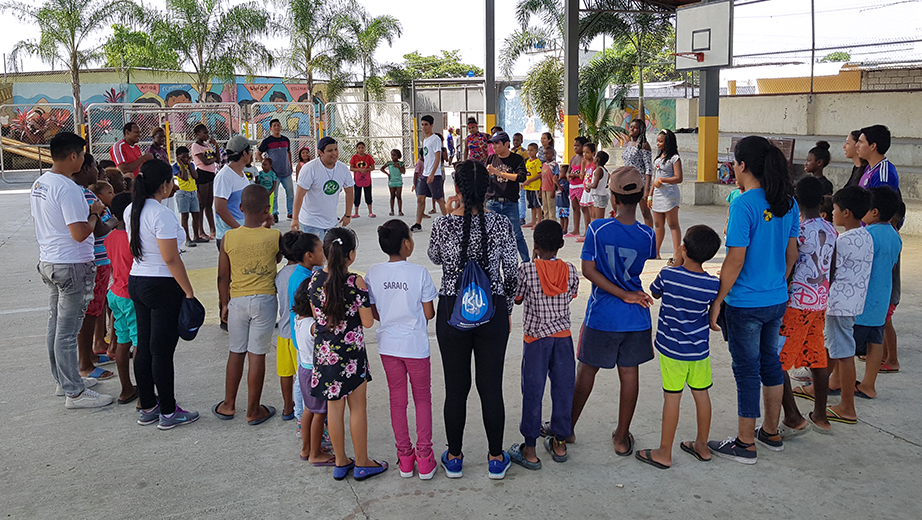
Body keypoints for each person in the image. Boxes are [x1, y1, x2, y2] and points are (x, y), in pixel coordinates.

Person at [707, 136, 799, 464]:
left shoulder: (743, 204)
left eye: (734, 161)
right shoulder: (789, 202)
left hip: (745, 302)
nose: (732, 166)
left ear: (743, 165)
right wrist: (776, 281)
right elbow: (792, 254)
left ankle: (746, 442)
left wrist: (718, 299)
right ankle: (771, 432)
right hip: (776, 297)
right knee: (770, 363)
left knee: (747, 370)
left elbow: (735, 260)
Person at [428, 160, 518, 480]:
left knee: (456, 388)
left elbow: (435, 257)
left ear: (457, 189)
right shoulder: (501, 224)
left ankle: (454, 458)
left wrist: (449, 213)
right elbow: (512, 274)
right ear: (488, 190)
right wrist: (506, 309)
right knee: (490, 387)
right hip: (491, 310)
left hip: (453, 312)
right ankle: (496, 458)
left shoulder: (442, 225)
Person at [567, 165, 655, 457]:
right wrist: (630, 294)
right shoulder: (647, 235)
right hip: (636, 318)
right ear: (641, 196)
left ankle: (567, 427)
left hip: (603, 314)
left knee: (587, 371)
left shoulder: (597, 228)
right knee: (629, 374)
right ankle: (621, 436)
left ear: (613, 200)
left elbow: (588, 270)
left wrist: (622, 294)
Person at [32, 132, 114, 409]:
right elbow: (80, 233)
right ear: (72, 156)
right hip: (71, 264)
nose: (82, 159)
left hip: (51, 260)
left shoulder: (41, 182)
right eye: (81, 154)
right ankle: (74, 392)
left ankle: (63, 380)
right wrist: (93, 212)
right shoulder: (67, 188)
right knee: (66, 331)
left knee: (56, 326)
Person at [635, 225, 721, 469]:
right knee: (701, 394)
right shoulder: (711, 285)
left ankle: (664, 451)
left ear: (683, 248)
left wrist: (674, 261)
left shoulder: (669, 274)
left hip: (672, 349)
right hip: (699, 350)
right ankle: (702, 445)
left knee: (672, 398)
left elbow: (654, 292)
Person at [308, 228, 388, 481]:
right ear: (351, 254)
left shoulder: (313, 280)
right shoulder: (355, 282)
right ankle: (363, 462)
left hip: (324, 354)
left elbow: (317, 316)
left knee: (334, 409)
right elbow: (367, 322)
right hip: (351, 356)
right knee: (357, 408)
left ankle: (341, 461)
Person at [127, 160, 198, 429]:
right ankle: (168, 412)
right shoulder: (161, 214)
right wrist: (188, 292)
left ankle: (148, 405)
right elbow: (170, 258)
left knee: (144, 346)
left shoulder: (132, 209)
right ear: (165, 184)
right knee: (162, 351)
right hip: (162, 284)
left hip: (138, 279)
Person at [366, 219, 439, 480]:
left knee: (397, 401)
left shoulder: (373, 273)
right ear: (407, 243)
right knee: (422, 400)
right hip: (416, 347)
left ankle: (405, 459)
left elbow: (374, 312)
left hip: (388, 346)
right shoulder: (419, 273)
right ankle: (425, 459)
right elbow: (429, 313)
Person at [798, 186, 872, 426]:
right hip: (853, 300)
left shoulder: (844, 241)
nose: (832, 212)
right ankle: (818, 386)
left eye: (836, 209)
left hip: (838, 303)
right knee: (830, 347)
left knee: (844, 352)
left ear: (847, 213)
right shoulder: (866, 235)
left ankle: (847, 407)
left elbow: (829, 267)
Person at [508, 220, 579, 470]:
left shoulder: (526, 270)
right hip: (562, 338)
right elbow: (571, 295)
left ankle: (529, 449)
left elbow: (517, 299)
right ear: (561, 244)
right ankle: (559, 442)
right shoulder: (570, 270)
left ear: (535, 245)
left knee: (533, 392)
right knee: (563, 389)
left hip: (535, 340)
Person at [214, 185, 282, 425]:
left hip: (237, 301)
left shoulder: (228, 237)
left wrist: (224, 304)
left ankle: (228, 404)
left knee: (236, 351)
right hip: (264, 300)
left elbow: (223, 276)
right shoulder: (274, 236)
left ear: (241, 208)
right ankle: (254, 409)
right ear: (267, 210)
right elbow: (276, 258)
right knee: (257, 355)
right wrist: (268, 227)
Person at [777, 177, 838, 434]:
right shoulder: (831, 229)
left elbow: (789, 263)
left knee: (774, 360)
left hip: (797, 302)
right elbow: (832, 268)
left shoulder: (798, 230)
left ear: (795, 199)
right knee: (817, 355)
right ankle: (820, 415)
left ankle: (793, 415)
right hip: (820, 301)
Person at [854, 187, 902, 399]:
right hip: (881, 301)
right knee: (875, 344)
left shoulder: (866, 235)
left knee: (844, 347)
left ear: (874, 212)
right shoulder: (895, 236)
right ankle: (868, 385)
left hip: (862, 303)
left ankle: (836, 380)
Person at [72, 156, 116, 380]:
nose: (98, 174)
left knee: (94, 310)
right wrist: (111, 222)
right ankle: (85, 363)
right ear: (85, 168)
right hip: (97, 261)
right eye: (95, 169)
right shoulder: (87, 195)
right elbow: (98, 229)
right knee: (91, 312)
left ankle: (90, 354)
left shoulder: (78, 192)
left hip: (94, 259)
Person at [291, 262, 334, 465]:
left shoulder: (299, 320)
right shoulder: (312, 326)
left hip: (304, 369)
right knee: (320, 413)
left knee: (309, 410)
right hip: (315, 373)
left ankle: (306, 447)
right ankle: (316, 453)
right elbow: (327, 329)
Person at [103, 192, 140, 404]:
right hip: (131, 295)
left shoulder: (110, 238)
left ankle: (126, 387)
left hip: (115, 292)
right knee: (139, 343)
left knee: (122, 341)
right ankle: (144, 389)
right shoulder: (132, 238)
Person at [291, 136, 355, 239]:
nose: (334, 153)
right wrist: (295, 218)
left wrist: (348, 215)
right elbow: (299, 195)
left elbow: (350, 191)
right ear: (320, 152)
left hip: (331, 222)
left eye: (336, 149)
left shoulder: (343, 169)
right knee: (317, 253)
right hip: (311, 222)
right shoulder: (309, 169)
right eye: (330, 150)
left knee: (330, 253)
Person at [484, 131, 530, 263]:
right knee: (491, 235)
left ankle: (526, 261)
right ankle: (491, 263)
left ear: (506, 144)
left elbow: (521, 177)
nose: (494, 147)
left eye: (497, 143)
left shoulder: (517, 159)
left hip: (510, 203)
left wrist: (499, 173)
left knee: (517, 234)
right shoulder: (491, 159)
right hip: (492, 202)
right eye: (493, 144)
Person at [213, 136, 256, 247]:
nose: (251, 154)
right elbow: (220, 208)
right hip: (230, 237)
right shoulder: (225, 176)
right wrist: (239, 229)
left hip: (241, 234)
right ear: (244, 154)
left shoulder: (241, 174)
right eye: (250, 150)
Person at [652, 130, 684, 262]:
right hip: (657, 194)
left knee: (672, 223)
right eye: (657, 141)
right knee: (658, 224)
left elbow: (679, 178)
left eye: (661, 141)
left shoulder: (674, 159)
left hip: (669, 194)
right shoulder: (658, 159)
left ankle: (677, 254)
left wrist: (663, 180)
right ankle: (656, 252)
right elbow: (655, 177)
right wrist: (650, 195)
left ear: (668, 142)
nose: (658, 144)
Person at [411, 116, 447, 232]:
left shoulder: (435, 139)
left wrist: (432, 173)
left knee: (439, 198)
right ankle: (418, 223)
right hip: (425, 174)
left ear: (431, 125)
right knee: (420, 198)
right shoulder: (425, 140)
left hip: (434, 174)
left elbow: (437, 158)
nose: (424, 127)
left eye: (426, 124)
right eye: (422, 124)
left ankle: (449, 221)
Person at [881, 202, 905, 372]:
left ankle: (892, 359)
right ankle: (883, 355)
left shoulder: (891, 237)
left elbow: (891, 267)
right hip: (889, 290)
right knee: (883, 323)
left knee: (886, 323)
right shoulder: (893, 235)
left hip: (889, 291)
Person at [256, 118, 294, 221]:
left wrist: (290, 165)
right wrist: (265, 164)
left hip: (286, 172)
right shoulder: (267, 141)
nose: (277, 127)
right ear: (271, 128)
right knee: (274, 194)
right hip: (274, 173)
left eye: (278, 125)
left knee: (290, 194)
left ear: (281, 127)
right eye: (274, 126)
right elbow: (258, 153)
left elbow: (288, 152)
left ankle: (291, 213)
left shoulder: (286, 140)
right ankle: (274, 213)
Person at [622, 118, 654, 228]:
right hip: (628, 180)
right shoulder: (629, 143)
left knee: (645, 212)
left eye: (635, 128)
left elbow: (649, 168)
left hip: (640, 182)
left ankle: (650, 235)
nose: (632, 129)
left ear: (641, 130)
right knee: (628, 212)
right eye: (631, 127)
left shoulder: (644, 145)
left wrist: (647, 189)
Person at [191, 124, 219, 239]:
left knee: (209, 203)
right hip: (202, 174)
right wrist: (213, 159)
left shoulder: (207, 145)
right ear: (198, 134)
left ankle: (213, 229)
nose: (207, 135)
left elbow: (217, 158)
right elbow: (205, 162)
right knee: (201, 204)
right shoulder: (195, 146)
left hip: (211, 174)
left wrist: (216, 146)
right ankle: (200, 230)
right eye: (205, 133)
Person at [172, 146, 203, 247]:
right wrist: (181, 165)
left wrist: (189, 164)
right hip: (183, 193)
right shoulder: (175, 167)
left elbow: (195, 176)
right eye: (183, 157)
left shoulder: (191, 165)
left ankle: (196, 236)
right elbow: (184, 178)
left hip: (193, 192)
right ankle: (187, 238)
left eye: (187, 157)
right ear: (178, 157)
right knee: (185, 216)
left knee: (196, 215)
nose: (186, 159)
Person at [857, 125, 900, 193]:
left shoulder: (882, 174)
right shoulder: (869, 167)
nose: (857, 145)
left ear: (873, 146)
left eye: (861, 142)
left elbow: (882, 202)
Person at [565, 137, 587, 239]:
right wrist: (568, 175)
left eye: (577, 146)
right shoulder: (573, 158)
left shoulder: (584, 159)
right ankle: (576, 229)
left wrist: (576, 176)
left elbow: (585, 173)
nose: (575, 148)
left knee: (583, 207)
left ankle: (587, 228)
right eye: (574, 146)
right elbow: (568, 170)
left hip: (581, 185)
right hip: (572, 186)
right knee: (574, 207)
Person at [576, 143, 597, 241]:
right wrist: (583, 166)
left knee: (593, 214)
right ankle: (587, 231)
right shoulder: (585, 163)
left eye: (587, 152)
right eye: (584, 152)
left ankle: (593, 234)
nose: (585, 154)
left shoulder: (594, 164)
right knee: (586, 211)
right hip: (586, 189)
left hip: (592, 190)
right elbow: (581, 177)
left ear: (593, 153)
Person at [349, 141, 376, 218]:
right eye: (359, 148)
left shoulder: (368, 157)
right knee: (357, 195)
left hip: (367, 179)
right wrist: (359, 170)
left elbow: (373, 167)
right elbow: (351, 168)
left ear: (365, 148)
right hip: (357, 180)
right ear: (356, 149)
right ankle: (356, 212)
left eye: (362, 147)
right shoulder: (354, 157)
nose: (361, 149)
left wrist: (367, 170)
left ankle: (370, 211)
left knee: (368, 194)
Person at [381, 148, 406, 216]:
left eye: (394, 155)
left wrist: (398, 167)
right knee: (392, 196)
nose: (392, 157)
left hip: (398, 181)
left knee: (399, 196)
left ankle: (400, 210)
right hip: (392, 181)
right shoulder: (389, 163)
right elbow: (382, 168)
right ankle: (392, 210)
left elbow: (403, 172)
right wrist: (388, 174)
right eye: (392, 155)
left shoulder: (401, 163)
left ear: (398, 156)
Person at [523, 143, 543, 227]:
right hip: (528, 187)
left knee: (537, 205)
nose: (529, 152)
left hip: (535, 186)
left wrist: (530, 180)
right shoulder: (527, 161)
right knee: (531, 205)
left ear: (536, 151)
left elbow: (540, 174)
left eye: (531, 150)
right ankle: (533, 220)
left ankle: (539, 220)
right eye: (528, 150)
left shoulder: (537, 162)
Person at [589, 150, 610, 221]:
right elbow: (606, 184)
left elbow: (595, 185)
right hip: (599, 195)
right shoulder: (605, 170)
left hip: (599, 196)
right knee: (594, 216)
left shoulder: (598, 170)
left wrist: (588, 185)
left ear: (597, 159)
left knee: (598, 219)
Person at [513, 133, 530, 225]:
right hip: (512, 176)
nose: (515, 142)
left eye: (518, 140)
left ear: (521, 141)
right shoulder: (510, 151)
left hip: (520, 177)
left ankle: (522, 217)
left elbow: (526, 164)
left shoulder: (524, 152)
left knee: (522, 198)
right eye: (514, 140)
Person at [540, 147, 558, 222]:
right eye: (544, 154)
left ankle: (552, 222)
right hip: (544, 188)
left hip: (550, 189)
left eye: (548, 153)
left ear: (552, 154)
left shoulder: (554, 165)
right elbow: (542, 178)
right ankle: (546, 222)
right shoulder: (544, 164)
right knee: (545, 207)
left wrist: (554, 190)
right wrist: (540, 190)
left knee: (551, 208)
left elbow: (555, 178)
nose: (546, 155)